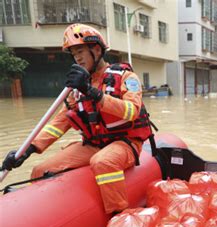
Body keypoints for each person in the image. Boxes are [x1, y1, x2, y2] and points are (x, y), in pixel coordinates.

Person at [1, 23, 154, 214]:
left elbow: (131, 111)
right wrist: (29, 149)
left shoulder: (126, 77)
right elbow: (60, 123)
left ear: (96, 50)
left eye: (80, 51)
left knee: (103, 162)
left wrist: (93, 93)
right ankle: (40, 215)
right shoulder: (77, 88)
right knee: (40, 170)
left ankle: (119, 216)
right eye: (74, 54)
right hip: (93, 144)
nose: (77, 57)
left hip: (125, 143)